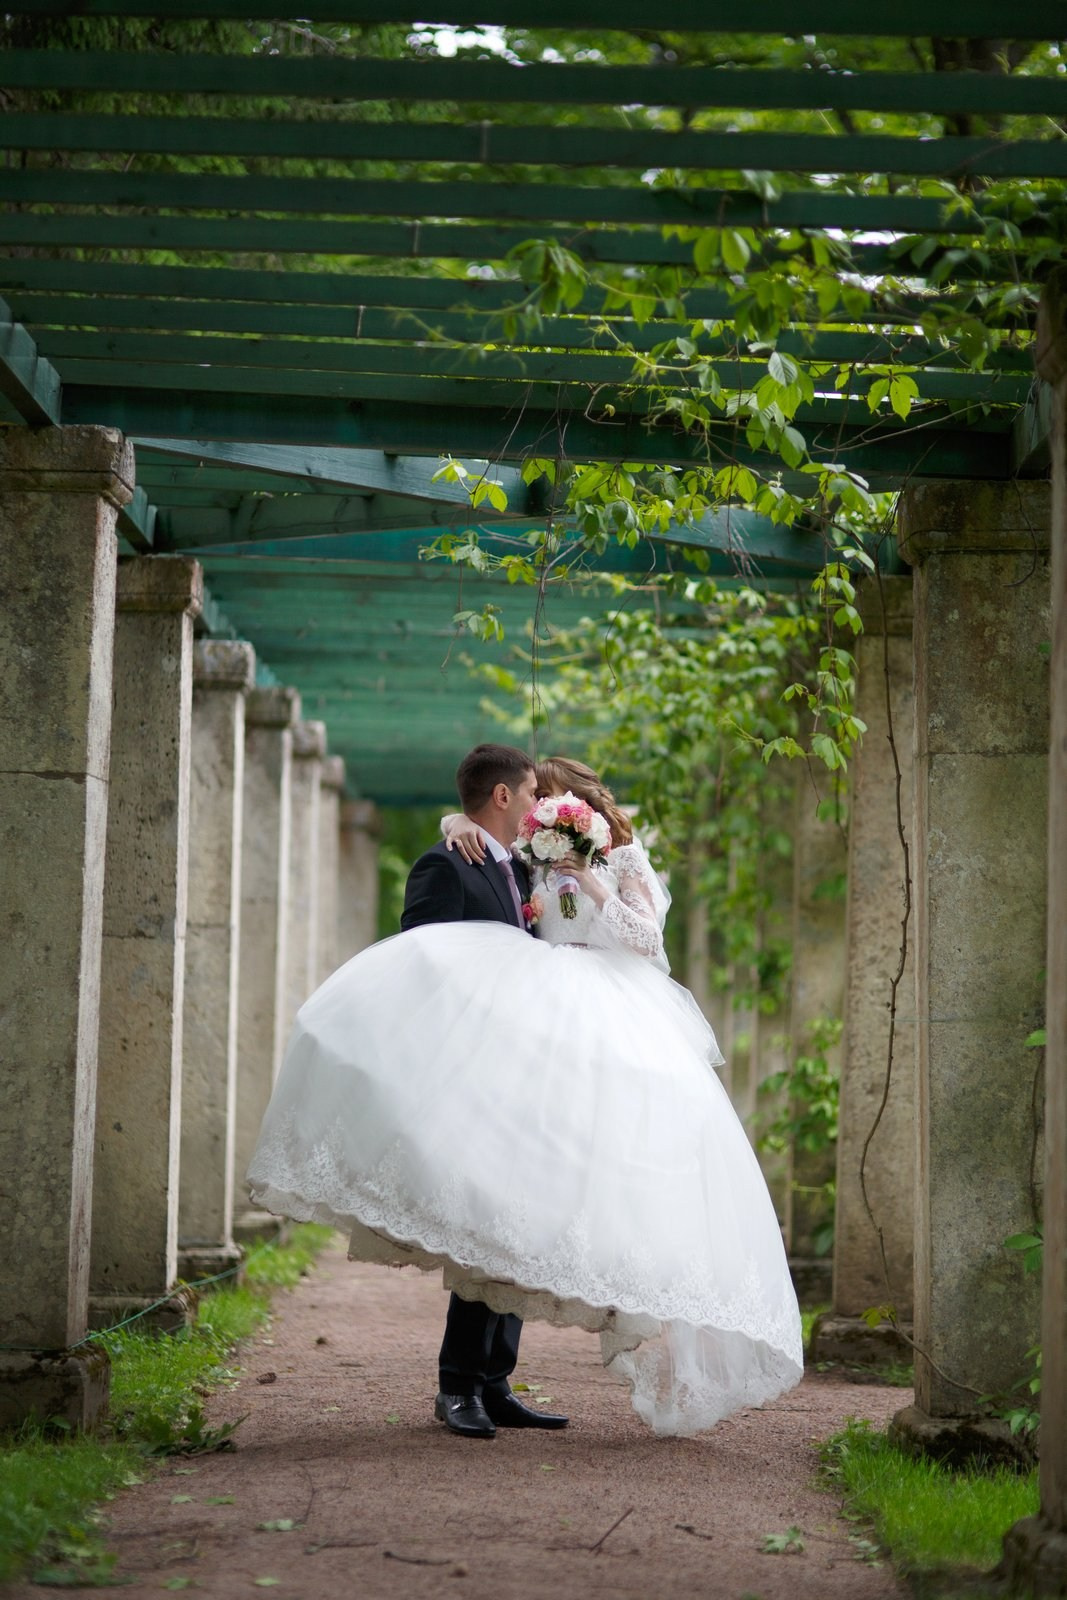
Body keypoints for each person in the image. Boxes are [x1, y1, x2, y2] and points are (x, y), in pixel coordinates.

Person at [246, 745, 803, 1441]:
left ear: (581, 806)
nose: (539, 810)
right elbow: (486, 854)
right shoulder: (524, 855)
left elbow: (644, 942)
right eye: (532, 799)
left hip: (605, 1041)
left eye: (549, 799)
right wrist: (458, 821)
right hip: (531, 1039)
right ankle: (461, 1384)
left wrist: (590, 881)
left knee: (531, 1206)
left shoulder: (618, 859)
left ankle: (494, 1380)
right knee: (500, 1203)